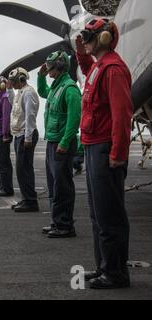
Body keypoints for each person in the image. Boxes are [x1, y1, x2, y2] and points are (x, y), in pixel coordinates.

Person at [76, 18, 133, 289]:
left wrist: (118, 152)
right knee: (97, 214)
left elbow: (122, 115)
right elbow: (88, 71)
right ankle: (104, 267)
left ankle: (116, 273)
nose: (86, 39)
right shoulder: (100, 66)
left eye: (90, 35)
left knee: (109, 215)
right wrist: (79, 48)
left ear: (105, 38)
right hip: (92, 145)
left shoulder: (114, 69)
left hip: (103, 148)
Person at [37, 51, 82, 238]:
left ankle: (65, 225)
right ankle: (57, 221)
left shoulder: (70, 89)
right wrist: (40, 77)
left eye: (50, 67)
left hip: (62, 144)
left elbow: (74, 119)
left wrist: (64, 142)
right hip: (52, 142)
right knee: (54, 185)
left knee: (62, 186)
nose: (48, 70)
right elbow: (43, 92)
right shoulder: (56, 87)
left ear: (60, 66)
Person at [9, 67, 40, 213]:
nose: (13, 84)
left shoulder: (28, 93)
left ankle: (30, 201)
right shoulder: (20, 92)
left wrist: (27, 137)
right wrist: (9, 89)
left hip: (25, 135)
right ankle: (26, 198)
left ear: (21, 79)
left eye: (14, 81)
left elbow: (30, 116)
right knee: (21, 170)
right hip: (19, 135)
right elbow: (13, 105)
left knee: (25, 169)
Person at [0, 76, 15, 197]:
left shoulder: (5, 99)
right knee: (1, 162)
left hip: (2, 135)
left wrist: (6, 134)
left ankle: (6, 188)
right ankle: (3, 187)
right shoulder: (2, 98)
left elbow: (6, 118)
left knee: (3, 162)